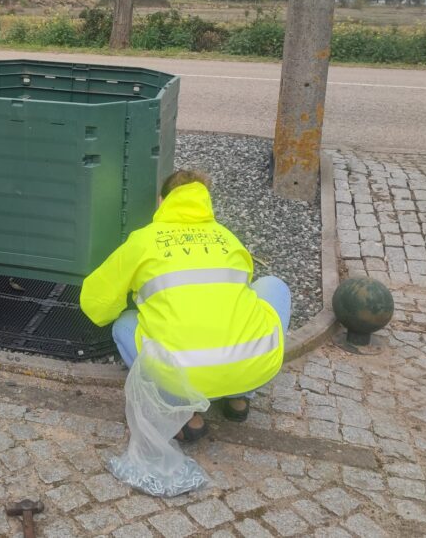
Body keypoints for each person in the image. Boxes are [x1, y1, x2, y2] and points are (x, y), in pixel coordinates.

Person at [80, 169, 291, 440]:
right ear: (206, 200)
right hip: (254, 368)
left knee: (124, 325)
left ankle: (186, 414)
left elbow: (95, 303)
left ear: (161, 201)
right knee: (274, 285)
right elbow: (244, 291)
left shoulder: (143, 240)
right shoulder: (228, 238)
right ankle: (239, 398)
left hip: (179, 378)